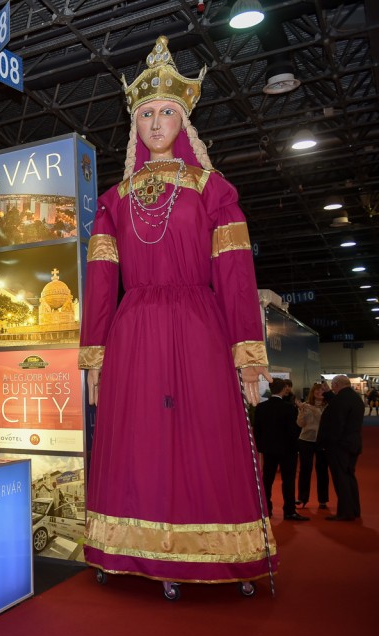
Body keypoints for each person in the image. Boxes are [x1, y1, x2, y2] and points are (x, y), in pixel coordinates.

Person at [78, 36, 276, 589]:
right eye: (146, 114)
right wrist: (94, 354)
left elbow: (235, 277)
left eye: (167, 112)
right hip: (135, 332)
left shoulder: (213, 192)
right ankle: (132, 548)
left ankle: (215, 549)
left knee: (204, 435)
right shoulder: (114, 201)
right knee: (139, 439)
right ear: (134, 125)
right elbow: (101, 284)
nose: (156, 122)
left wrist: (247, 352)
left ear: (184, 121)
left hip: (197, 328)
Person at [255, 379, 307, 521]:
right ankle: (289, 511)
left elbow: (257, 430)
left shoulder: (261, 407)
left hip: (268, 449)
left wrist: (261, 447)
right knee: (288, 481)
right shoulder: (289, 408)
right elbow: (293, 431)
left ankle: (266, 509)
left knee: (267, 479)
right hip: (287, 450)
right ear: (284, 389)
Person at [318, 375, 364, 521]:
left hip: (339, 446)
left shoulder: (341, 400)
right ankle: (354, 510)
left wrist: (327, 443)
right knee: (349, 477)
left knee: (341, 479)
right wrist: (328, 393)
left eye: (333, 385)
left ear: (337, 384)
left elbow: (337, 424)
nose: (332, 387)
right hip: (353, 443)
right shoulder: (355, 398)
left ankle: (345, 512)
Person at [296, 381, 329, 509]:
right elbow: (300, 424)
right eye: (317, 390)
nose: (319, 392)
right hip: (306, 440)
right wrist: (302, 412)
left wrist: (312, 409)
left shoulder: (329, 406)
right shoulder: (306, 405)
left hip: (322, 441)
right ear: (313, 392)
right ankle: (302, 497)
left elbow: (323, 420)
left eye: (322, 390)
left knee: (322, 470)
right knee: (305, 469)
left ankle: (323, 499)